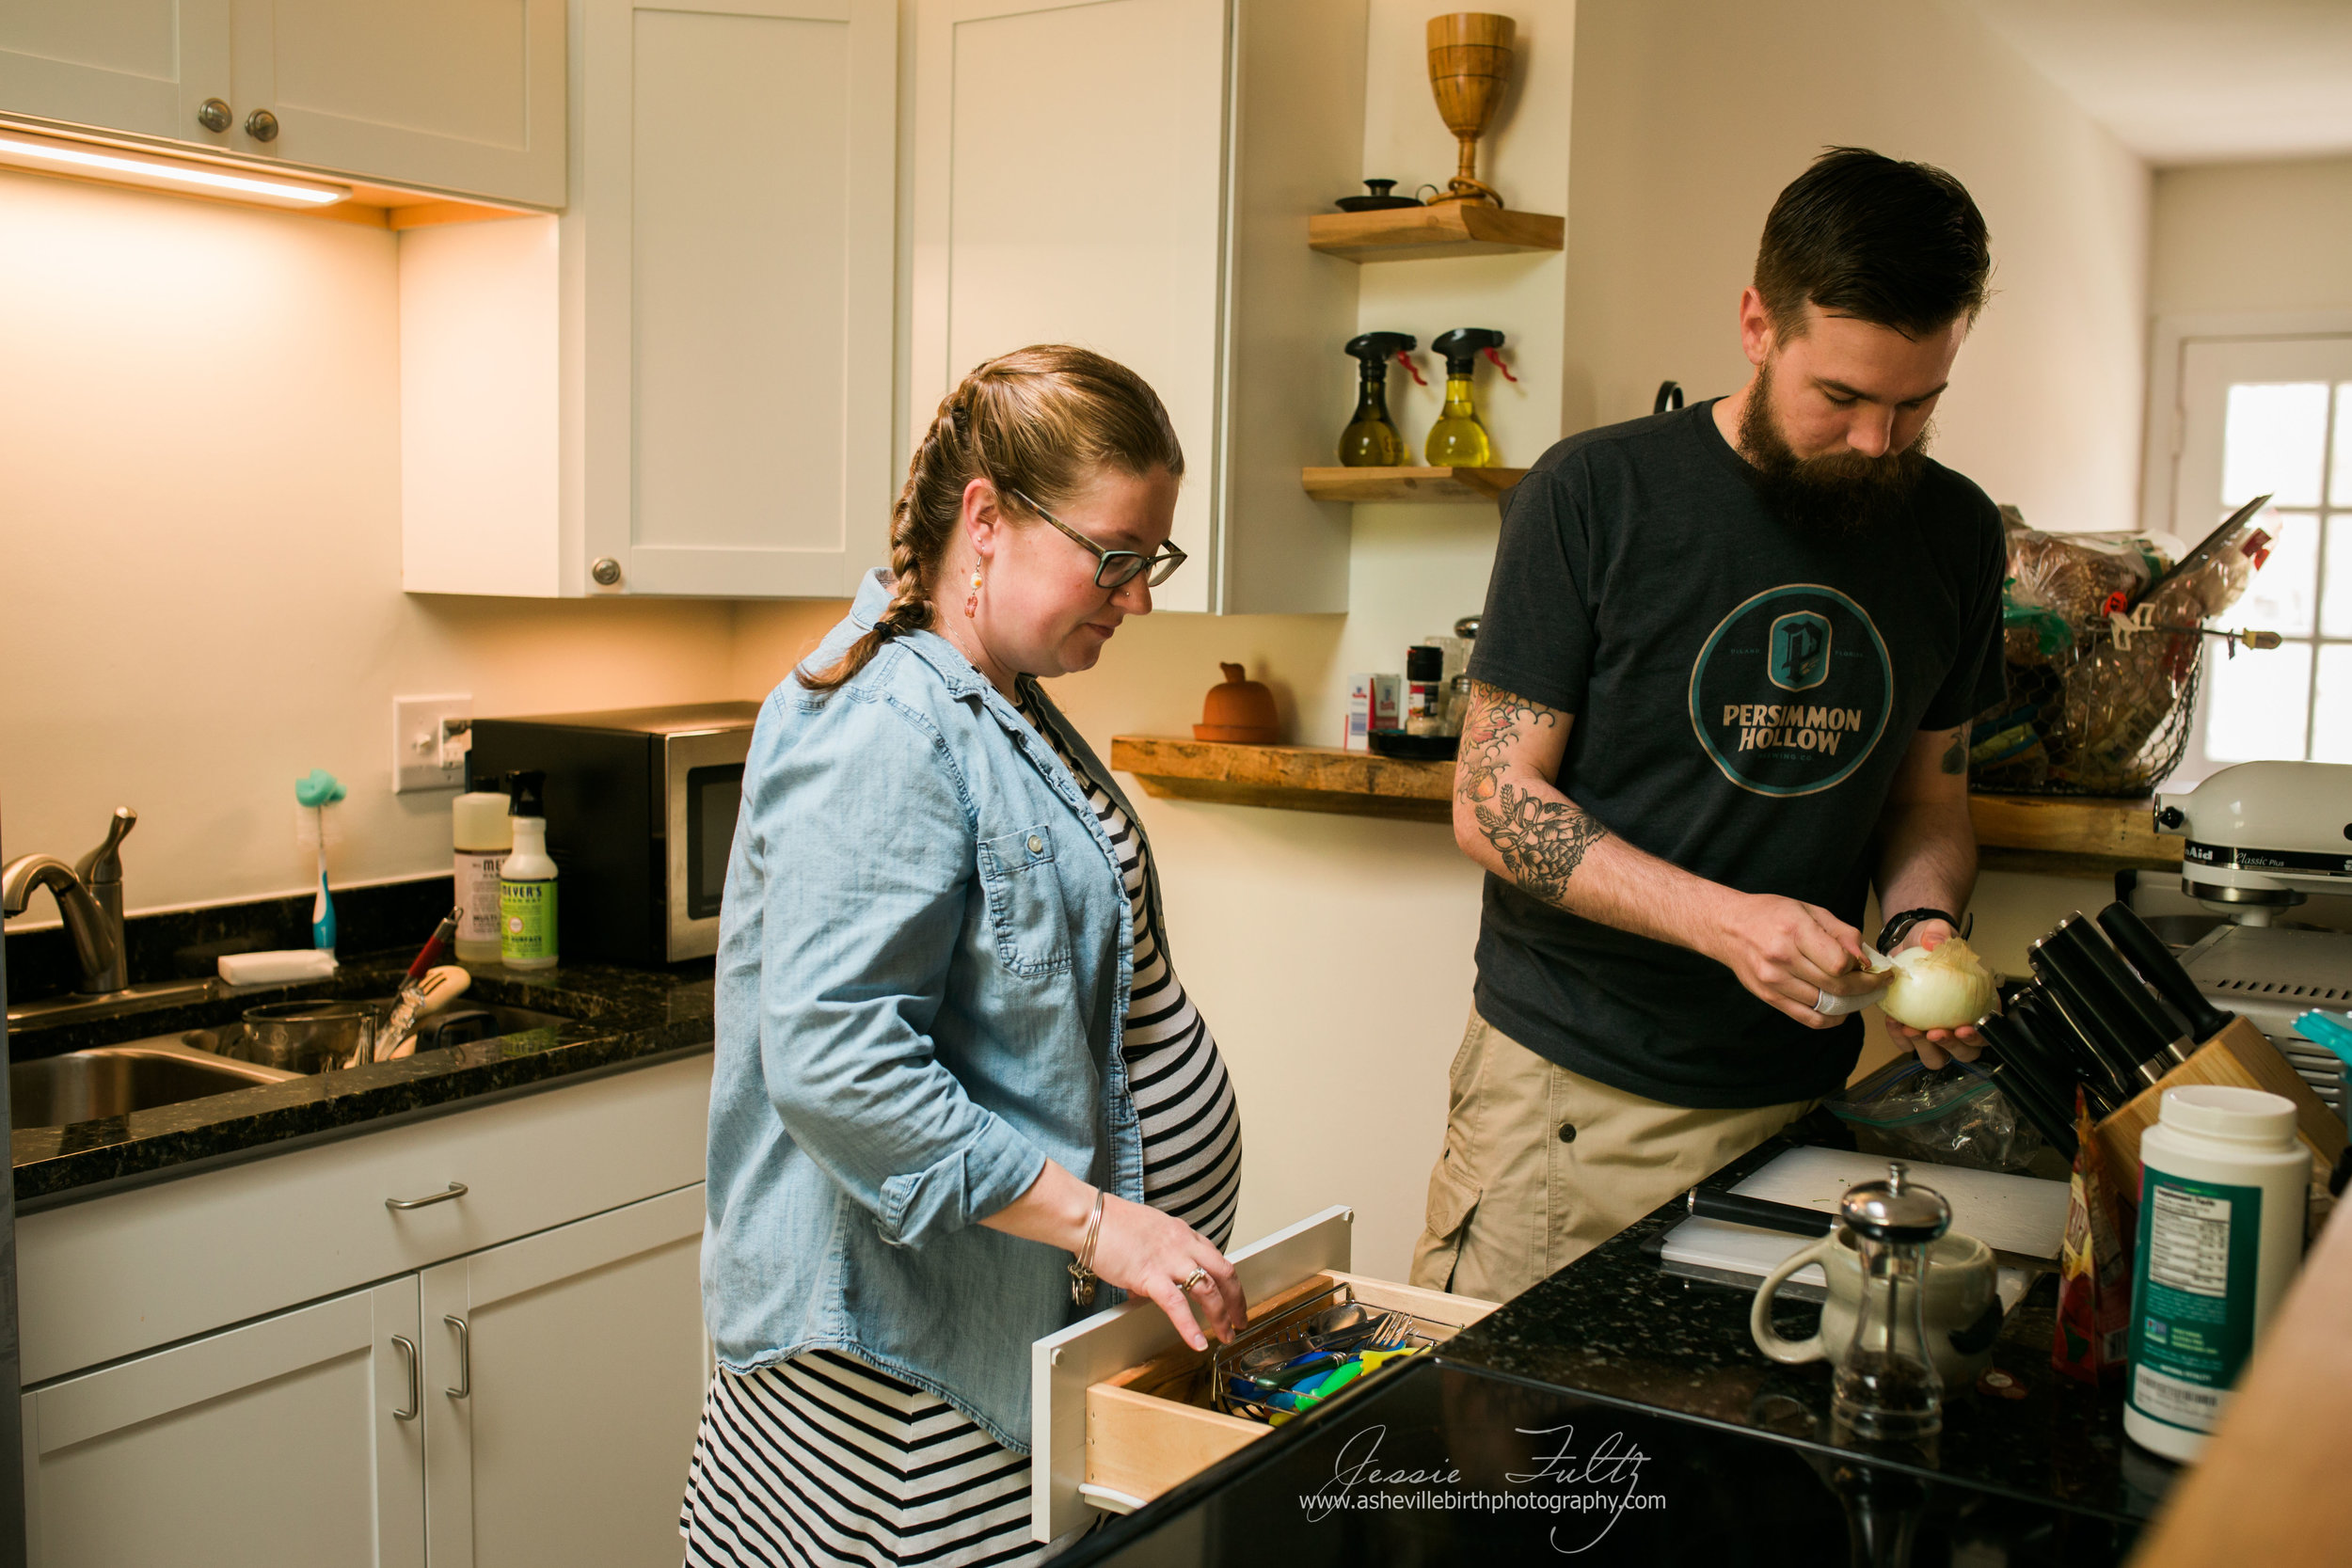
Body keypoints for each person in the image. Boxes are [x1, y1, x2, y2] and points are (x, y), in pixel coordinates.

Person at [682, 345, 1248, 1567]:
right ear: (986, 516)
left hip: (972, 1358)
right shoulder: (884, 723)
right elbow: (838, 1065)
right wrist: (1107, 1227)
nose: (1136, 595)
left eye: (1151, 557)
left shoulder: (988, 681)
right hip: (892, 1405)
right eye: (1116, 555)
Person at [1410, 148, 2006, 1305]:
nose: (1880, 442)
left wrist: (1928, 921)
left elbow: (1929, 798)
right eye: (1840, 397)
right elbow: (1492, 800)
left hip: (1804, 1107)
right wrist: (1726, 922)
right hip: (1574, 1103)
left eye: (1916, 403)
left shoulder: (1957, 532)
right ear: (1755, 323)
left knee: (1742, 1477)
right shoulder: (1593, 494)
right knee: (1529, 1471)